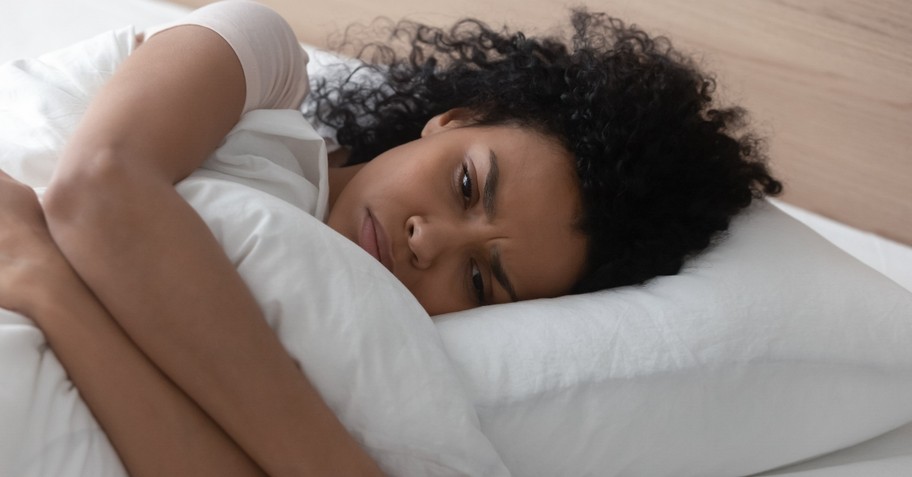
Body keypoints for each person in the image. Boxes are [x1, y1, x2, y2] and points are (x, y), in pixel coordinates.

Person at [0, 0, 781, 475]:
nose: (429, 241)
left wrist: (45, 281)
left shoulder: (355, 365)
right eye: (467, 184)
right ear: (453, 118)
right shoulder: (260, 70)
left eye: (481, 280)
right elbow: (98, 185)